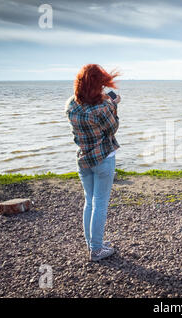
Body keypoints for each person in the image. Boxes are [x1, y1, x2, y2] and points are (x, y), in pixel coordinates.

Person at [65, 64, 121, 261]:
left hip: (83, 159)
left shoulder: (71, 105)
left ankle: (92, 244)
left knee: (89, 201)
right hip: (103, 159)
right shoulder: (103, 107)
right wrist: (114, 105)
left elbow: (89, 108)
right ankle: (97, 250)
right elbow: (112, 128)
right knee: (100, 204)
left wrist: (107, 102)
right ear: (97, 85)